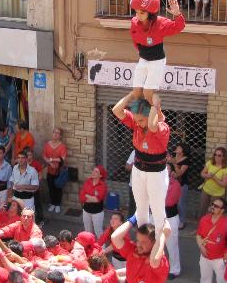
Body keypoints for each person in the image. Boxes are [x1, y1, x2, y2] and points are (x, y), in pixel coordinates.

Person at [112, 95, 169, 237]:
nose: (137, 123)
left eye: (141, 119)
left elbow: (151, 125)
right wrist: (132, 94)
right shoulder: (137, 122)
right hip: (138, 170)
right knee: (141, 209)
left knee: (157, 210)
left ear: (150, 114)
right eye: (136, 119)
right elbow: (116, 110)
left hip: (156, 173)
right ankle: (143, 239)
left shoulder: (162, 127)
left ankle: (158, 242)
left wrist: (155, 105)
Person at [128, 0, 185, 106]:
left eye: (142, 13)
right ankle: (143, 114)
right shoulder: (134, 22)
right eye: (136, 12)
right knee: (137, 91)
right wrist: (141, 52)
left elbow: (178, 27)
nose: (138, 16)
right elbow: (135, 41)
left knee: (148, 92)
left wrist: (177, 14)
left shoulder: (160, 24)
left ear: (151, 13)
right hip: (143, 59)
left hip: (157, 62)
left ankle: (157, 115)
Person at [199, 147, 227, 217]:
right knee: (202, 210)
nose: (216, 157)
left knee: (213, 212)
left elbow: (224, 184)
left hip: (217, 194)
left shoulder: (226, 169)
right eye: (215, 155)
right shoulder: (210, 162)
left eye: (219, 155)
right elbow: (202, 174)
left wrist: (214, 178)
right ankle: (201, 225)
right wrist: (208, 175)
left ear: (223, 157)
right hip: (206, 190)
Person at [42, 127, 67, 214]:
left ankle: (58, 204)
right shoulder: (47, 145)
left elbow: (62, 159)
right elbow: (44, 156)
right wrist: (49, 163)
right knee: (51, 187)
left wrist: (52, 159)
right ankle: (52, 203)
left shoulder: (62, 146)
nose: (55, 134)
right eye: (54, 132)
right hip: (50, 170)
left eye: (58, 133)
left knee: (58, 188)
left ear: (60, 136)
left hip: (59, 171)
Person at [79, 165, 108, 238]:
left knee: (98, 231)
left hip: (97, 212)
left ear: (100, 175)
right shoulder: (88, 181)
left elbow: (97, 200)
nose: (93, 173)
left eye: (96, 172)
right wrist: (91, 197)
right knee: (87, 231)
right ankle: (90, 247)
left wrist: (87, 195)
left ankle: (102, 248)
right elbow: (81, 196)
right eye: (93, 171)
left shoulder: (102, 185)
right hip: (86, 210)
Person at [168, 143, 191, 230]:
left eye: (179, 147)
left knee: (181, 203)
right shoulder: (173, 156)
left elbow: (180, 174)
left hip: (181, 184)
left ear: (183, 150)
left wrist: (174, 164)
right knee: (171, 202)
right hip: (171, 184)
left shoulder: (186, 160)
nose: (177, 148)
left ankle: (182, 221)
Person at [165, 162, 181, 279]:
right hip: (156, 216)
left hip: (170, 217)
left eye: (167, 168)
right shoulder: (155, 183)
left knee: (171, 244)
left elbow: (170, 201)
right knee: (155, 242)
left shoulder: (175, 184)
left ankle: (175, 269)